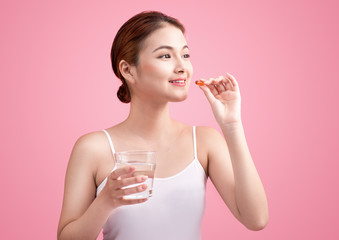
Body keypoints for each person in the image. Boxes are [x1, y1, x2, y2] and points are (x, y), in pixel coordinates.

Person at [57, 11, 268, 240]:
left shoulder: (205, 142)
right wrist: (105, 202)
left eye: (185, 55)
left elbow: (256, 219)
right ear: (128, 70)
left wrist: (232, 125)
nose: (182, 67)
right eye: (166, 56)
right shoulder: (93, 148)